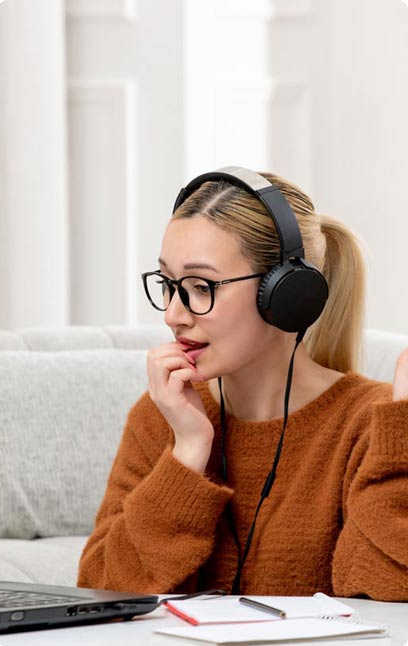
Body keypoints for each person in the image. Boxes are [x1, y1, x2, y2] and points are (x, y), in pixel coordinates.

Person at [77, 168, 408, 601]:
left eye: (200, 286)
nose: (173, 315)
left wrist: (399, 441)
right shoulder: (164, 416)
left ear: (286, 295)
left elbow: (386, 603)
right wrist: (188, 453)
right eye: (167, 285)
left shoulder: (372, 427)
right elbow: (99, 596)